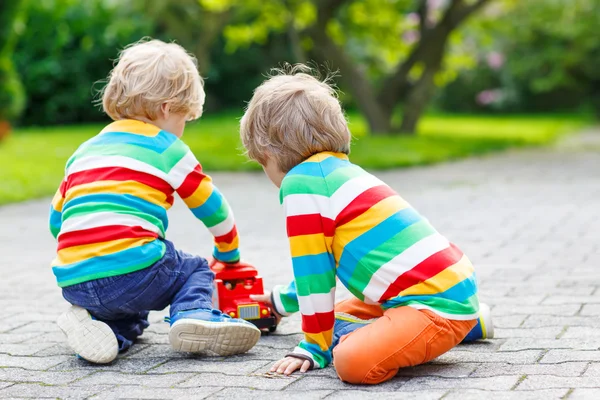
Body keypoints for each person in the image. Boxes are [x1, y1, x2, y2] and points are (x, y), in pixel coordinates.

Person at [241, 65, 494, 385]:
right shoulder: (339, 172)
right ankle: (467, 323)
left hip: (430, 304)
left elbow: (314, 271)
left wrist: (313, 347)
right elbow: (319, 268)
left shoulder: (300, 185)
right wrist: (281, 302)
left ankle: (451, 329)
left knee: (350, 360)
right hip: (442, 288)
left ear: (266, 152)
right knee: (334, 317)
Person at [50, 39, 260, 364]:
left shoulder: (85, 150)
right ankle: (194, 314)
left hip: (75, 278)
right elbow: (211, 205)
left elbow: (56, 221)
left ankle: (101, 329)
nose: (182, 130)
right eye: (184, 119)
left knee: (135, 312)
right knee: (194, 270)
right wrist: (228, 249)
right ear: (166, 108)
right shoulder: (166, 147)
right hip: (134, 269)